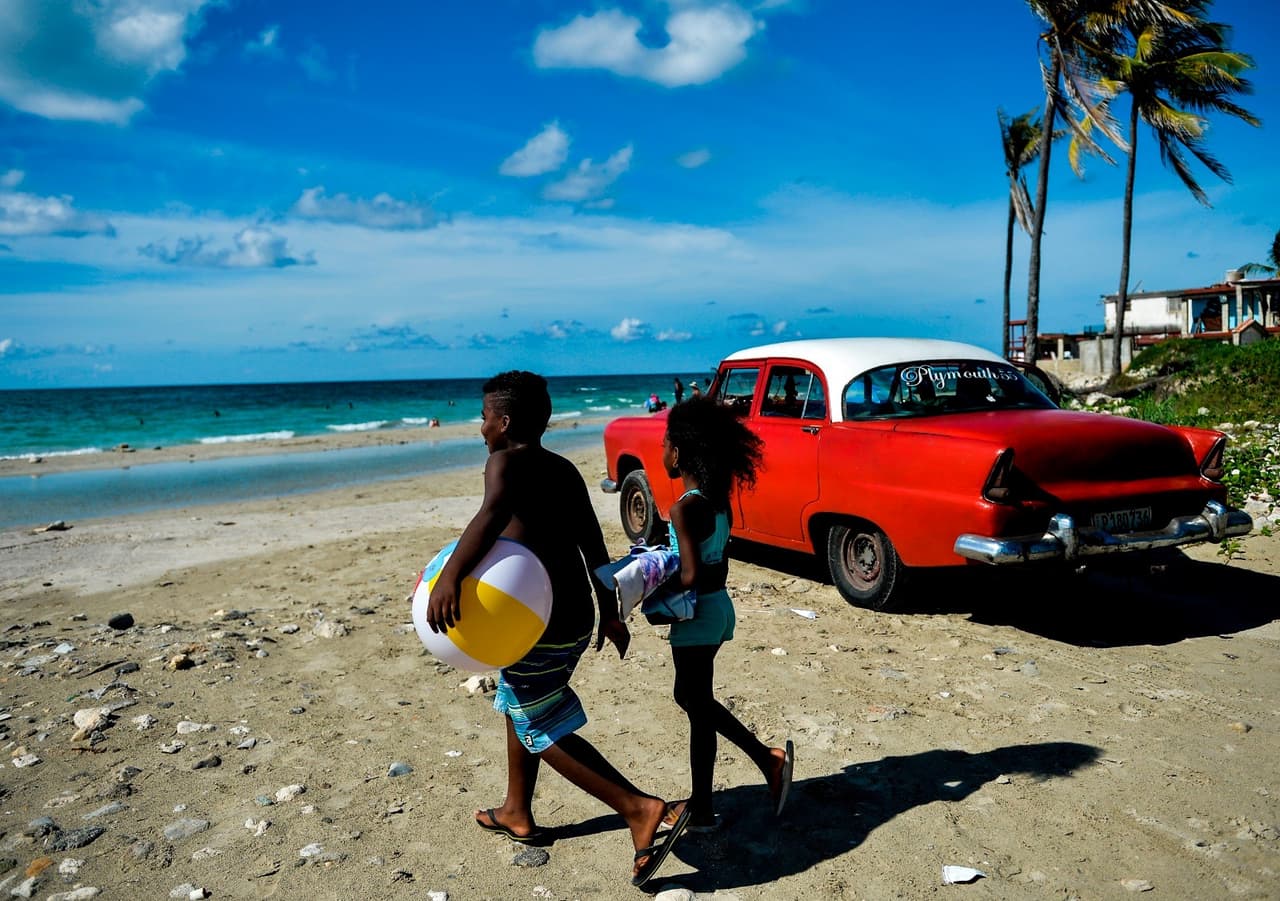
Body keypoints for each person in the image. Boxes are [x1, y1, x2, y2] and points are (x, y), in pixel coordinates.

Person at [425, 370, 689, 886]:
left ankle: (637, 807)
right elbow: (593, 544)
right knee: (522, 699)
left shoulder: (502, 463)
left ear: (504, 421)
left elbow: (488, 517)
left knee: (536, 718)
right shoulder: (565, 469)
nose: (480, 429)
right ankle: (516, 811)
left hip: (534, 622)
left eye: (483, 418)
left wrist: (449, 578)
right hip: (574, 615)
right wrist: (610, 609)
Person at [658, 396, 794, 833]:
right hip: (718, 610)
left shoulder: (683, 507)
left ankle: (765, 758)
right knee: (697, 705)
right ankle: (701, 808)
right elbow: (719, 565)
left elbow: (691, 573)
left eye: (665, 444)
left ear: (678, 452)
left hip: (696, 615)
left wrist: (650, 589)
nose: (662, 453)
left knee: (691, 699)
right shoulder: (717, 502)